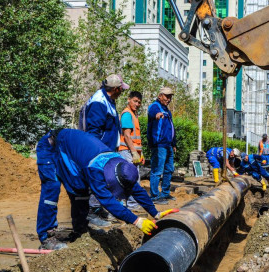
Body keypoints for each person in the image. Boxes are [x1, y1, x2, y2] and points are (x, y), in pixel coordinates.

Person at [47, 129, 177, 246]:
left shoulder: (122, 166)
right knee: (78, 190)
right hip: (61, 143)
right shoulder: (95, 171)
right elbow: (108, 201)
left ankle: (81, 229)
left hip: (79, 148)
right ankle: (74, 232)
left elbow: (137, 190)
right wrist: (136, 220)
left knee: (81, 191)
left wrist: (155, 213)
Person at [79, 74, 129, 224]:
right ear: (115, 89)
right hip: (98, 150)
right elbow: (94, 130)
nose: (122, 92)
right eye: (121, 89)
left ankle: (98, 209)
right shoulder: (98, 102)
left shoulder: (109, 101)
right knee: (96, 178)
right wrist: (97, 152)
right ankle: (91, 212)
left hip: (106, 149)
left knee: (104, 179)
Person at [36, 132, 66, 250]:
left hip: (60, 147)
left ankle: (52, 228)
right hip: (50, 147)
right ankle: (46, 235)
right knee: (51, 189)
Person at [147, 87, 177, 204]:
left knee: (169, 169)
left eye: (170, 97)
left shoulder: (167, 110)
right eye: (166, 96)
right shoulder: (155, 106)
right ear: (160, 96)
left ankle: (165, 193)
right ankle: (154, 196)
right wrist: (157, 115)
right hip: (159, 144)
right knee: (157, 170)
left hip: (168, 145)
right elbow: (152, 113)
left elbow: (171, 128)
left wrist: (173, 143)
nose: (169, 99)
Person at [119, 91, 144, 210]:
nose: (137, 104)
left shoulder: (133, 115)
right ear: (129, 99)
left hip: (131, 151)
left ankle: (127, 204)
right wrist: (134, 152)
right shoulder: (127, 114)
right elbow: (127, 136)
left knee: (131, 178)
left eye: (139, 102)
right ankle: (132, 206)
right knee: (132, 178)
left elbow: (136, 138)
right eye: (135, 101)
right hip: (127, 151)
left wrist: (140, 153)